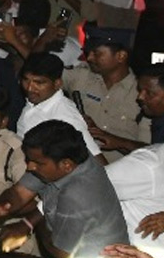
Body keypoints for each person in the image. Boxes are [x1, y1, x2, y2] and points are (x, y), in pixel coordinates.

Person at [0, 120, 128, 258]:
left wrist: (32, 225)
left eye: (37, 163)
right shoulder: (63, 158)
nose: (30, 167)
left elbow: (61, 252)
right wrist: (3, 205)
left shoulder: (78, 193)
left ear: (66, 165)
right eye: (29, 160)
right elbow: (21, 192)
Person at [62, 28, 151, 160]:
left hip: (119, 173)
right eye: (89, 52)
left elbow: (149, 152)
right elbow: (39, 73)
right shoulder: (81, 76)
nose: (90, 57)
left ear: (121, 56)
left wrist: (113, 140)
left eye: (97, 53)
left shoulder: (142, 93)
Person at [16, 52, 101, 157]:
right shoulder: (35, 100)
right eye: (26, 80)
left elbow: (94, 156)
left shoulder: (65, 116)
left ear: (57, 84)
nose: (29, 88)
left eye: (39, 83)